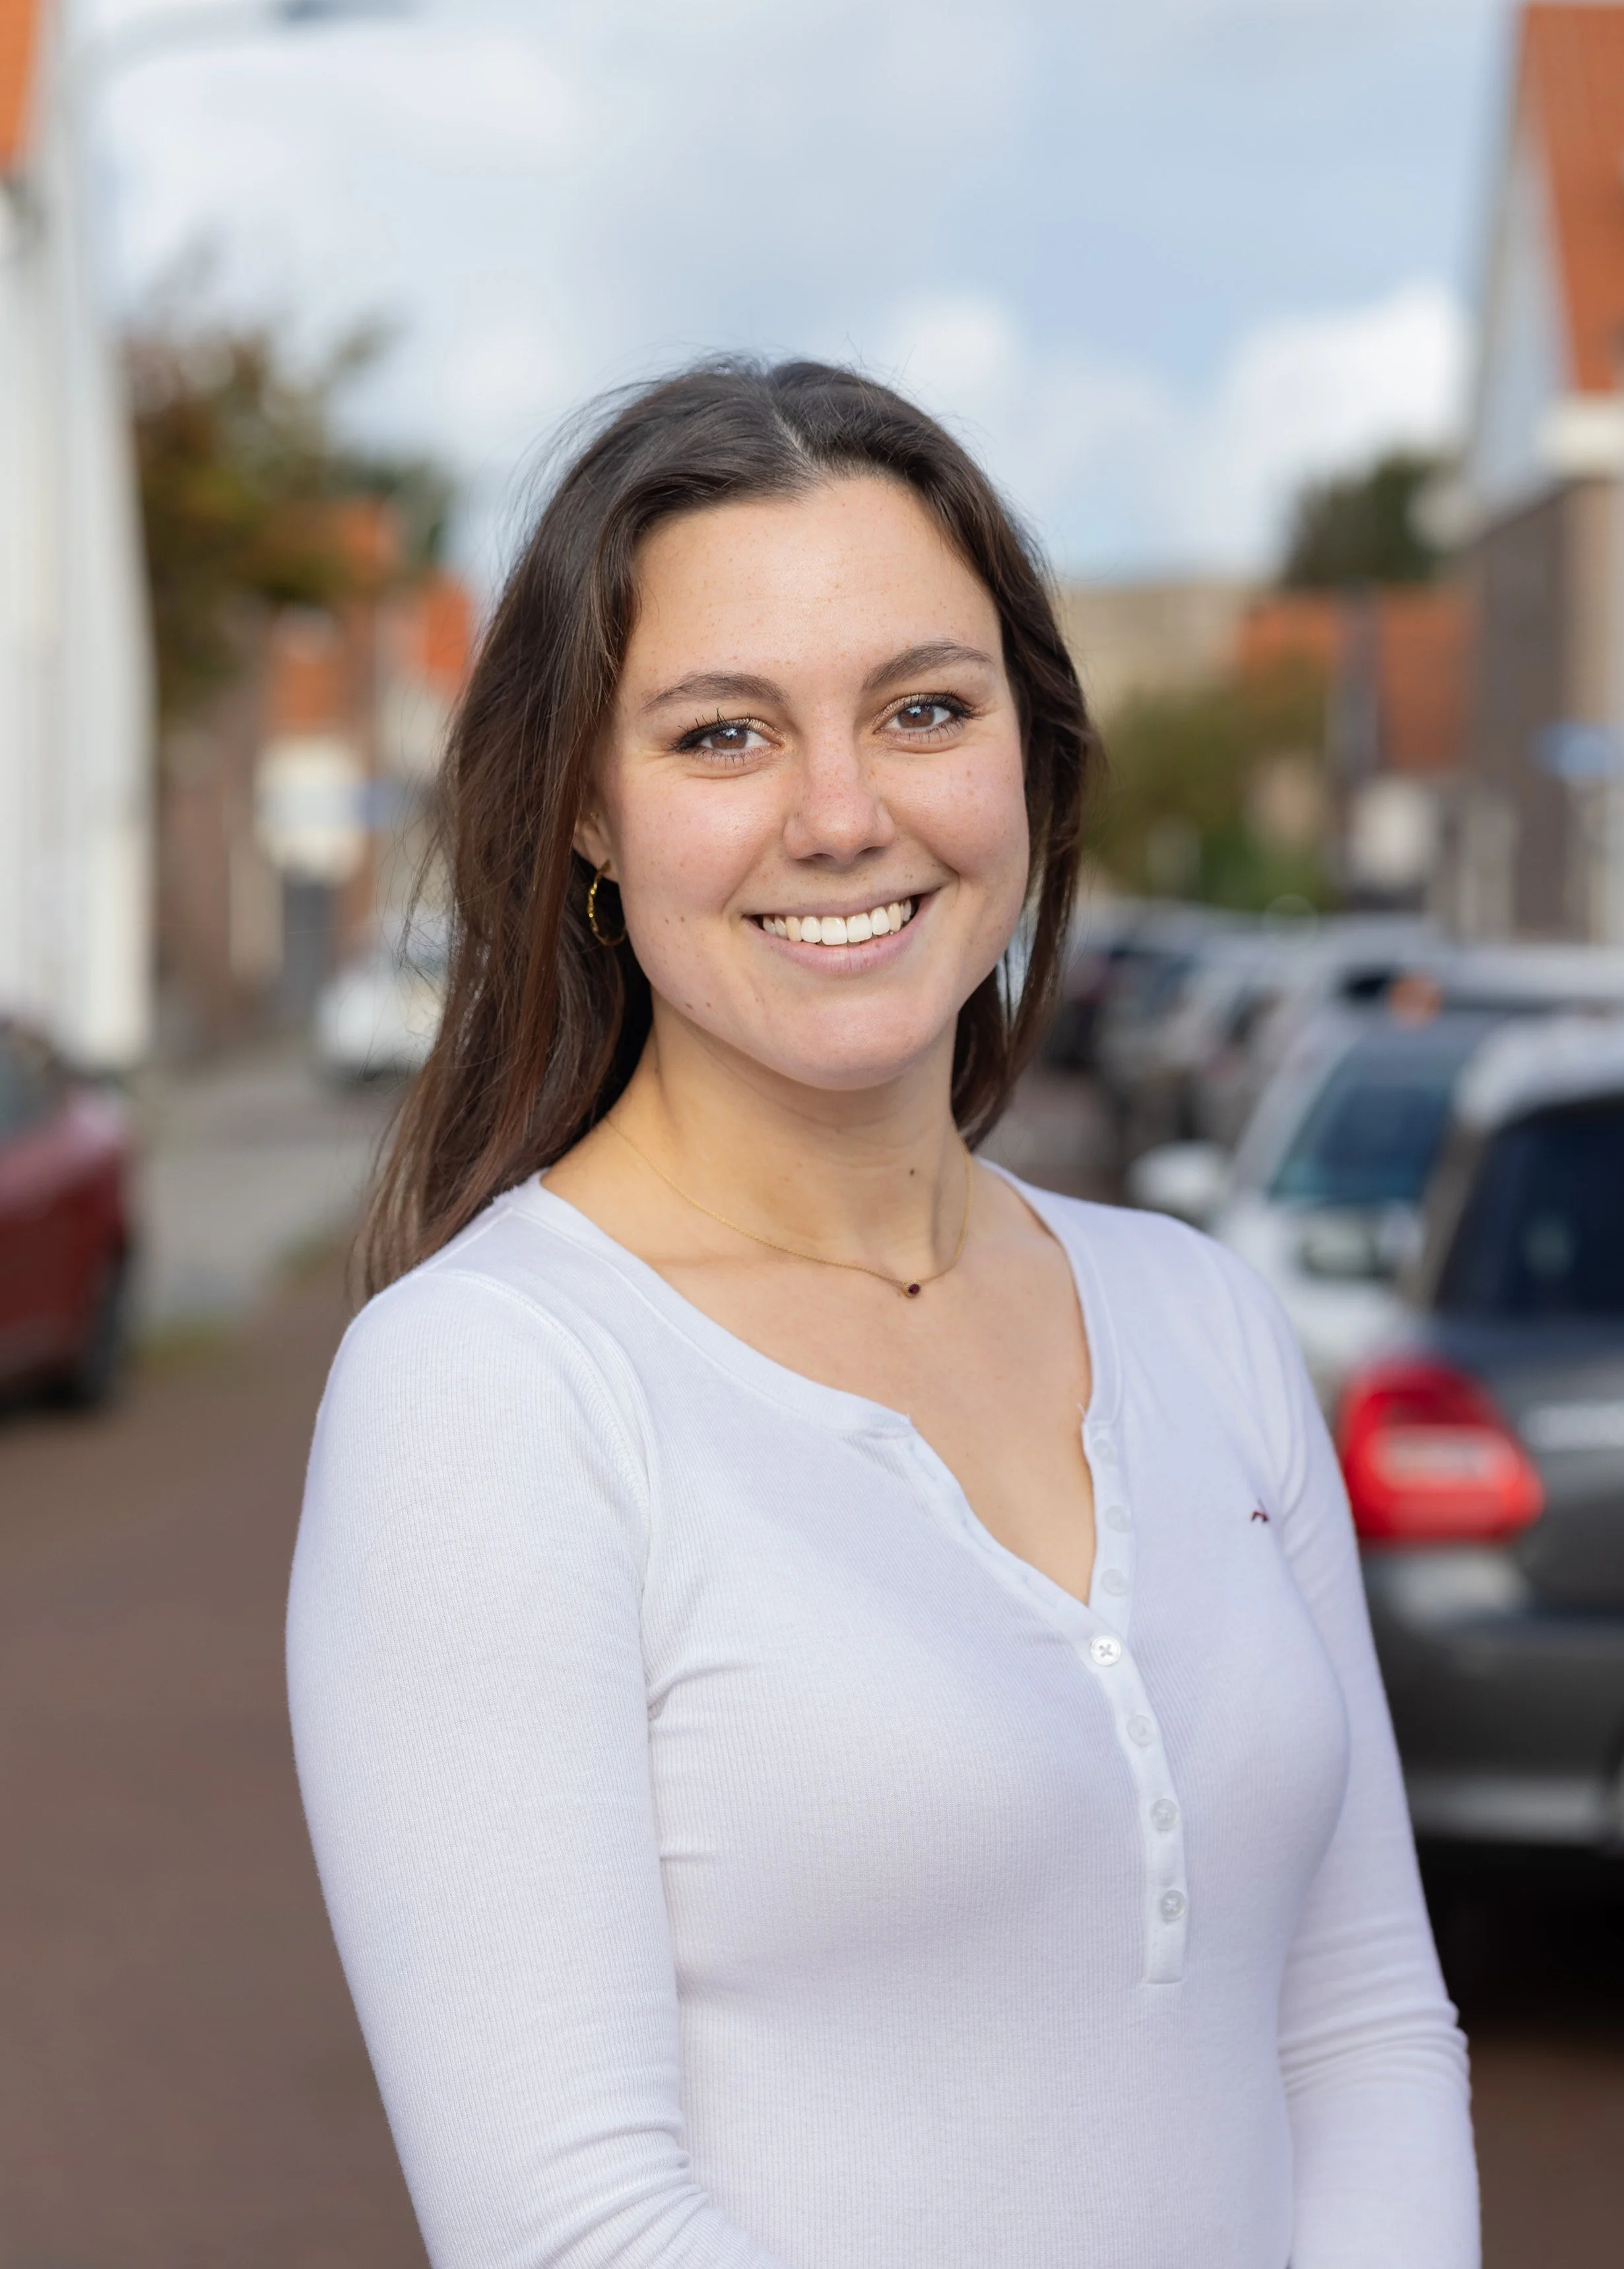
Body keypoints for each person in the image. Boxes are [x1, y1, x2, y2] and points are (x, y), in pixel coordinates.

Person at [287, 360, 1478, 2269]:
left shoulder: (1198, 1318)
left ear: (1028, 754)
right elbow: (568, 2222)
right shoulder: (494, 1390)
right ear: (585, 815)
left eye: (922, 708)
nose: (840, 814)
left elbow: (1358, 2031)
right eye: (721, 735)